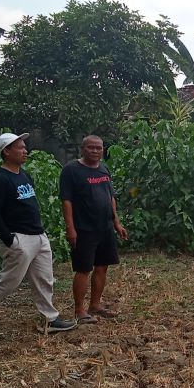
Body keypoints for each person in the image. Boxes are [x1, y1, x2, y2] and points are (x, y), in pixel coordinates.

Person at [0, 133, 77, 334]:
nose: (25, 151)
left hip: (37, 235)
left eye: (25, 147)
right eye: (20, 147)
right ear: (6, 152)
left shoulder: (24, 175)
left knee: (44, 278)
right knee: (10, 280)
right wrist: (10, 239)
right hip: (18, 238)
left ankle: (49, 318)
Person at [59, 135, 128, 323]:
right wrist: (70, 228)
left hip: (104, 227)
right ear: (83, 149)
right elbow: (67, 201)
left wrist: (117, 222)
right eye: (91, 148)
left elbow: (110, 197)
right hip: (84, 228)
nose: (96, 151)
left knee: (102, 266)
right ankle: (79, 310)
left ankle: (95, 304)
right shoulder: (71, 170)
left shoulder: (104, 169)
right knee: (83, 269)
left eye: (99, 148)